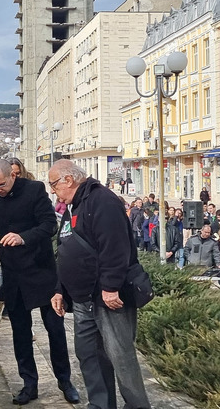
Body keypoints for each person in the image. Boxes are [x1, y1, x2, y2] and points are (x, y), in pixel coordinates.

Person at [0, 159, 79, 405]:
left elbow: (49, 225)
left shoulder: (34, 190)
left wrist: (23, 238)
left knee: (55, 329)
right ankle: (29, 384)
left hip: (41, 270)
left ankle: (65, 381)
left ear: (13, 176)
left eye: (1, 185)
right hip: (13, 274)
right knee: (20, 332)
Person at [48, 160, 152, 409]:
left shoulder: (102, 200)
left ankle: (137, 406)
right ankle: (101, 404)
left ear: (68, 180)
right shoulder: (72, 206)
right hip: (83, 298)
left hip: (106, 297)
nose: (52, 190)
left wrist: (110, 287)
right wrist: (59, 289)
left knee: (120, 357)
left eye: (53, 184)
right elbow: (65, 249)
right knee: (88, 355)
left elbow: (115, 248)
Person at [0, 157, 32, 326]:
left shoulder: (32, 189)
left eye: (17, 173)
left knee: (26, 285)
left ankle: (23, 320)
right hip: (5, 244)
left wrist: (26, 238)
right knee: (5, 277)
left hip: (28, 247)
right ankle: (3, 302)